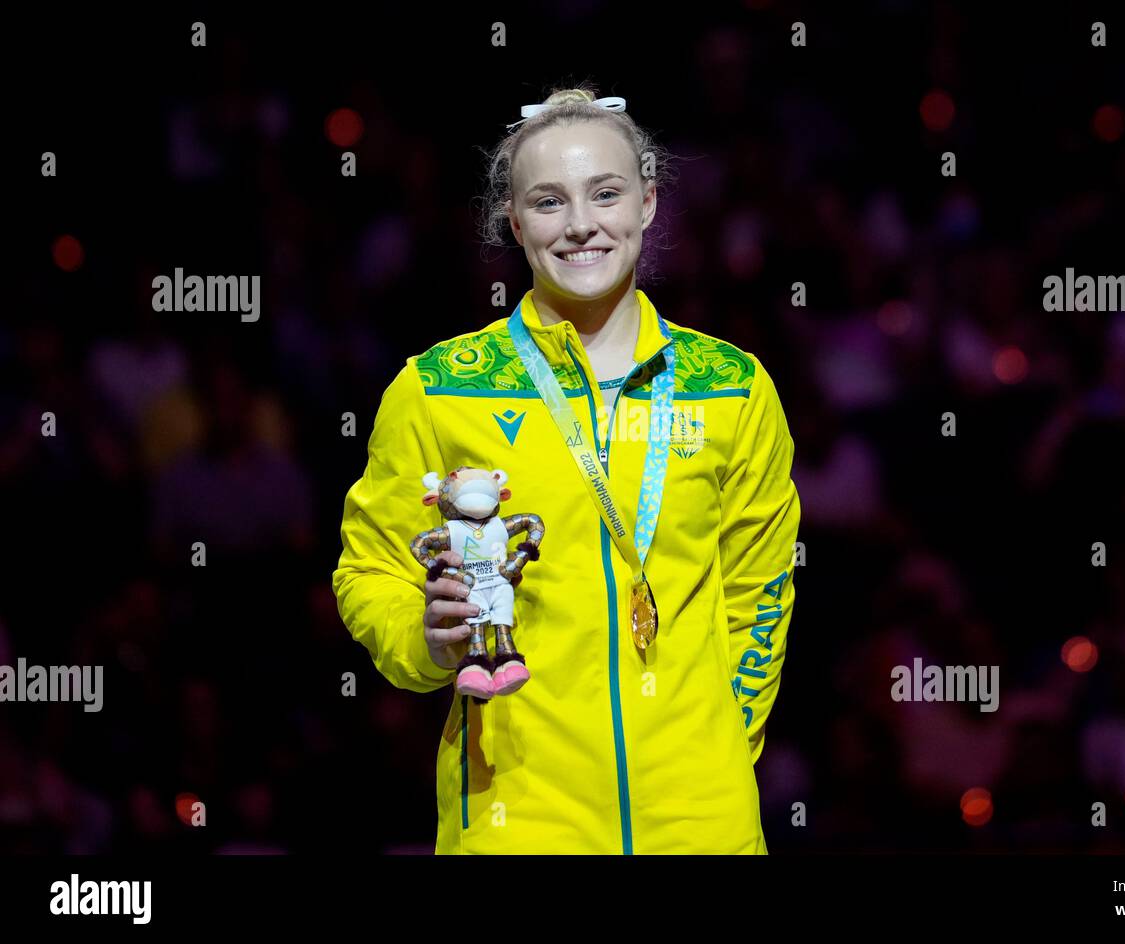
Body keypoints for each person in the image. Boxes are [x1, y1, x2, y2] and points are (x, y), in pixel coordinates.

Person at [332, 86, 801, 854]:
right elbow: (371, 572)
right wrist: (428, 643)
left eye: (606, 193)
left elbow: (761, 594)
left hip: (701, 822)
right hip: (515, 814)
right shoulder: (439, 386)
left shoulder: (733, 386)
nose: (581, 224)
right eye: (548, 202)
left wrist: (713, 757)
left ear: (648, 202)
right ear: (513, 222)